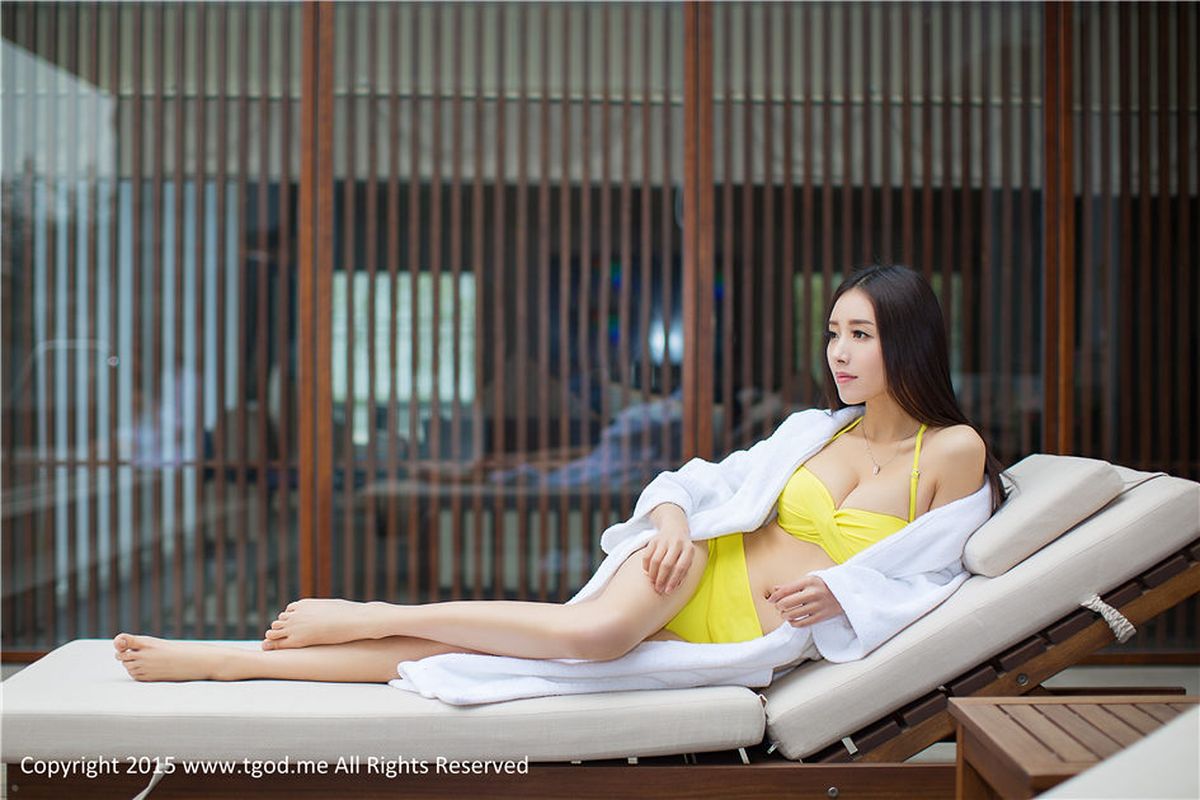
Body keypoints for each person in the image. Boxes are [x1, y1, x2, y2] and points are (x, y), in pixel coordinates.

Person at [113, 264, 1004, 685]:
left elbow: (935, 580)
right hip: (684, 568)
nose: (840, 352)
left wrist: (848, 596)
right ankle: (379, 612)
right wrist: (666, 520)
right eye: (836, 331)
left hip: (743, 630)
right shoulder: (814, 428)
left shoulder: (952, 452)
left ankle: (229, 664)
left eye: (863, 334)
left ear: (910, 341)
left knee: (472, 659)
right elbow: (703, 480)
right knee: (587, 638)